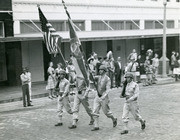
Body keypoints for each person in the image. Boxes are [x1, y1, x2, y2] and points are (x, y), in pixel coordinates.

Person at [91, 65, 117, 131]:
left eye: (101, 70)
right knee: (95, 111)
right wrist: (90, 74)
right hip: (97, 96)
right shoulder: (98, 77)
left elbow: (108, 89)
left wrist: (103, 96)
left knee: (106, 112)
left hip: (104, 97)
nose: (100, 71)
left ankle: (113, 119)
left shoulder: (107, 79)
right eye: (99, 69)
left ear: (105, 71)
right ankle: (96, 126)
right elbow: (91, 78)